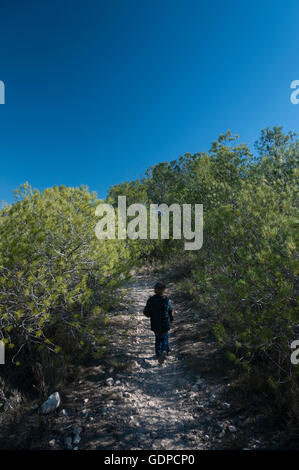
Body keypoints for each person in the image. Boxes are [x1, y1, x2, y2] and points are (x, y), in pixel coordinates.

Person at [143, 281, 174, 364]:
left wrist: (151, 315)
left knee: (158, 338)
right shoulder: (167, 300)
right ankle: (165, 350)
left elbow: (146, 313)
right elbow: (170, 311)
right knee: (165, 337)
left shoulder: (150, 300)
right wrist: (171, 319)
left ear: (154, 290)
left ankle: (158, 353)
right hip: (165, 322)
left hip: (155, 323)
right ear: (164, 290)